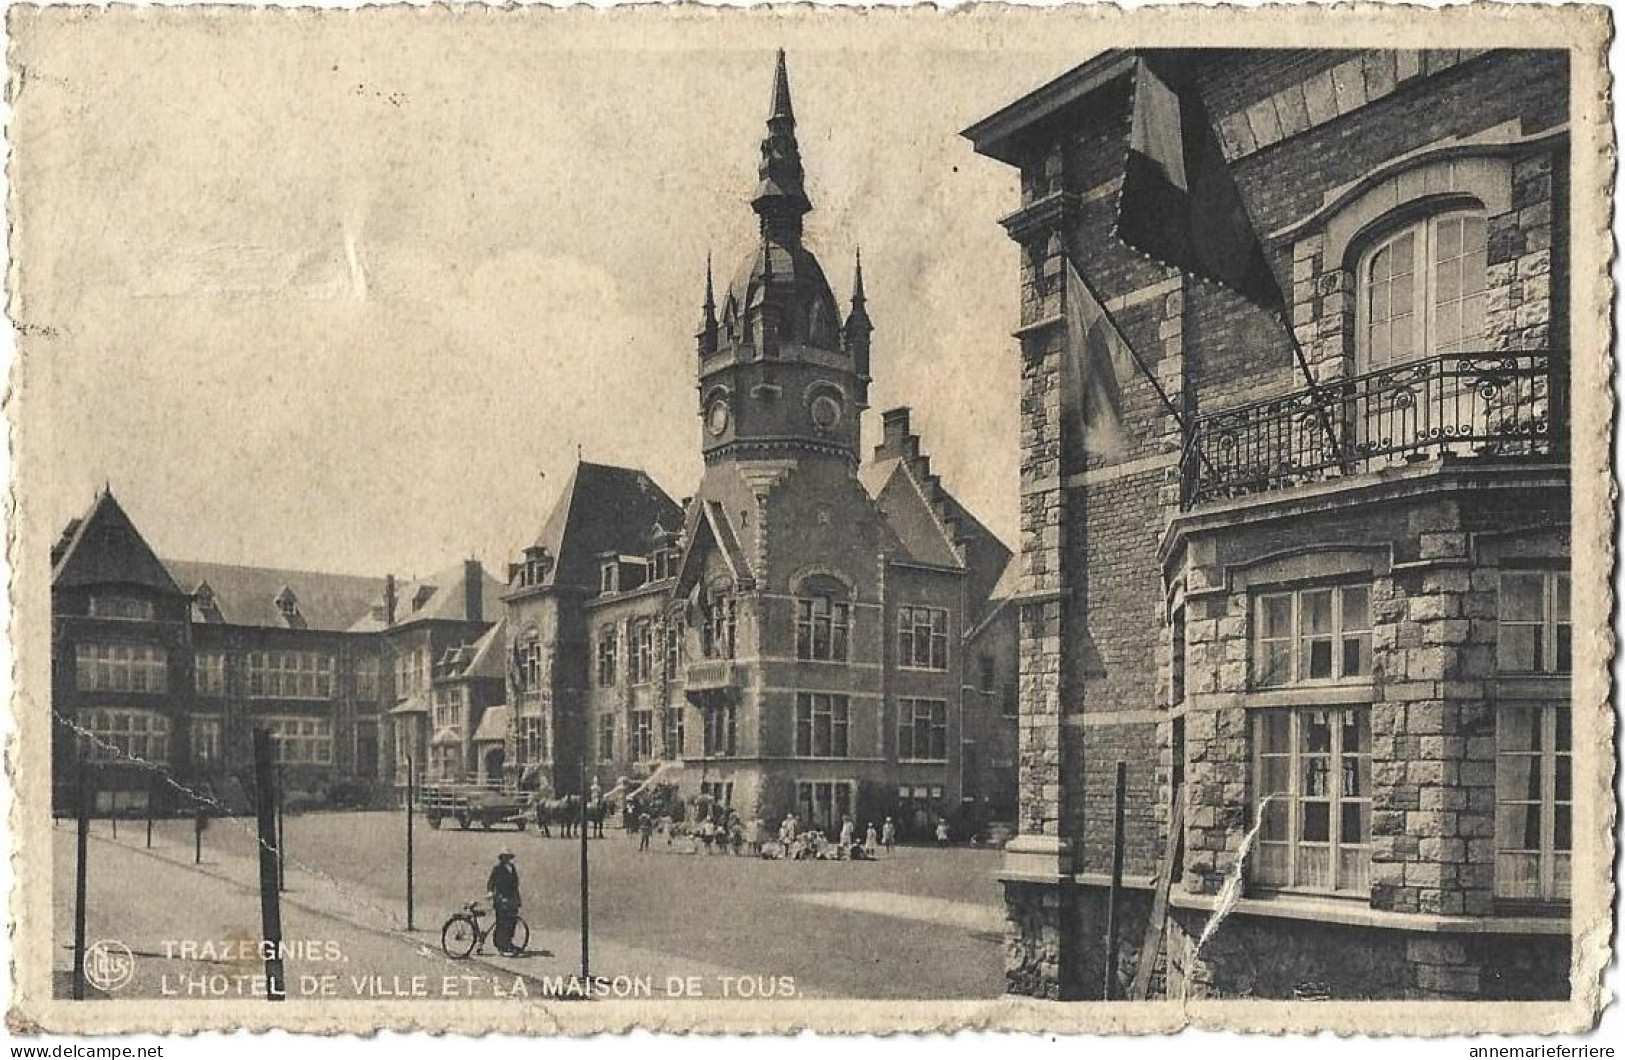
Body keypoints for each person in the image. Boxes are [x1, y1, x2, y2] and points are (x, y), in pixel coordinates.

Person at [485, 847, 523, 956]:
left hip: (512, 898)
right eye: (505, 857)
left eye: (508, 857)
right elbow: (491, 882)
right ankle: (500, 944)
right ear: (501, 858)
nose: (507, 859)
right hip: (501, 899)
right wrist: (491, 893)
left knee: (512, 922)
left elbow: (515, 884)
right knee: (502, 922)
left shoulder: (512, 868)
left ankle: (508, 942)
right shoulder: (497, 869)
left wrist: (517, 898)